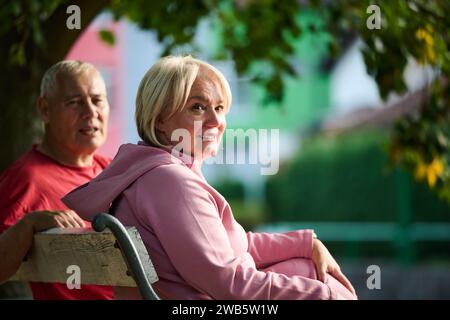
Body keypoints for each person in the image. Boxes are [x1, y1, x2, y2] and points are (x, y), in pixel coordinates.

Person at [62, 55, 357, 300]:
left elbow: (232, 247)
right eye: (198, 108)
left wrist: (305, 243)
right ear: (160, 119)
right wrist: (327, 296)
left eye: (219, 108)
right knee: (320, 280)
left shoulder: (154, 172)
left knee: (308, 266)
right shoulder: (170, 182)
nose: (216, 121)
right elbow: (228, 284)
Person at [0, 60, 114, 299]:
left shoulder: (114, 170)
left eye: (97, 100)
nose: (90, 112)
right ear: (45, 109)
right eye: (74, 102)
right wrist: (29, 223)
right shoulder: (27, 179)